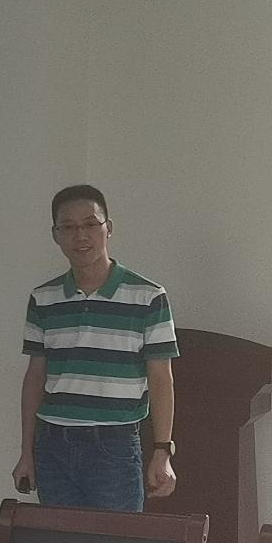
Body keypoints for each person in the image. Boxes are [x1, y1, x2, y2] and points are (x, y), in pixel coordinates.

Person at [11, 185, 178, 511]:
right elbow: (35, 376)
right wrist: (26, 452)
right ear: (56, 235)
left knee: (116, 541)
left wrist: (163, 450)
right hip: (52, 444)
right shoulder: (43, 299)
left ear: (108, 228)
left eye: (90, 224)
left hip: (114, 445)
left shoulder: (148, 296)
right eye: (68, 227)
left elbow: (161, 379)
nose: (81, 235)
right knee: (58, 542)